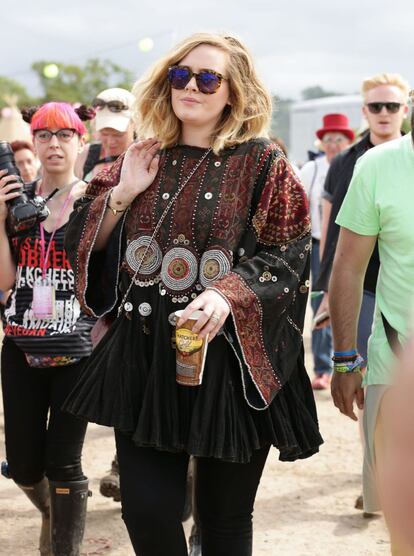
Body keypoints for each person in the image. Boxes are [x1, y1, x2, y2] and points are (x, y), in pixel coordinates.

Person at [63, 32, 323, 556]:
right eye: (181, 75)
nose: (193, 87)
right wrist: (122, 194)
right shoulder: (141, 156)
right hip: (145, 355)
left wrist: (228, 295)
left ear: (235, 93)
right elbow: (78, 242)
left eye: (209, 78)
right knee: (147, 511)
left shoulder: (263, 162)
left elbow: (289, 254)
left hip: (230, 360)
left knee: (224, 520)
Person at [0, 102, 96, 556]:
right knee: (21, 465)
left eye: (64, 135)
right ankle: (49, 512)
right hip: (20, 344)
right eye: (43, 135)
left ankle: (63, 548)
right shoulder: (17, 202)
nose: (53, 144)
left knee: (63, 461)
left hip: (75, 347)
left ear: (82, 142)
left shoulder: (97, 201)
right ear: (33, 143)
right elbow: (4, 281)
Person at [314, 73, 409, 512]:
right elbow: (340, 253)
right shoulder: (362, 163)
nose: (385, 114)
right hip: (386, 333)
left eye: (392, 106)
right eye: (377, 107)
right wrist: (344, 356)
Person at [299, 114, 354, 390]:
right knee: (319, 304)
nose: (333, 144)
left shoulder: (355, 164)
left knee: (349, 303)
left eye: (339, 139)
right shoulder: (312, 168)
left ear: (348, 141)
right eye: (328, 139)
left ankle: (348, 364)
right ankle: (321, 368)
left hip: (352, 245)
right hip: (318, 245)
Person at [75, 87, 135, 181]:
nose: (110, 141)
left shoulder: (143, 157)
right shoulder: (86, 154)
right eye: (104, 134)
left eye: (118, 135)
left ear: (134, 125)